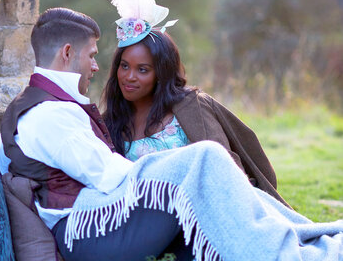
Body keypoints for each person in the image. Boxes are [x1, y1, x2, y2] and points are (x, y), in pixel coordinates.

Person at [0, 6, 343, 261]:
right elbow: (109, 177)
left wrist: (184, 168)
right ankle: (284, 253)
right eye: (92, 56)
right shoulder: (50, 114)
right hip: (85, 232)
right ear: (68, 53)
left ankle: (299, 237)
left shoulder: (44, 105)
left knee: (206, 165)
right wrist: (181, 167)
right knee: (202, 161)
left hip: (92, 218)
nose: (97, 66)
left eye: (142, 69)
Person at [101, 30, 290, 206]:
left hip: (201, 209)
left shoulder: (191, 108)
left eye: (142, 70)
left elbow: (223, 164)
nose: (129, 77)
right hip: (144, 217)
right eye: (124, 66)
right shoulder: (109, 122)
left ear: (161, 73)